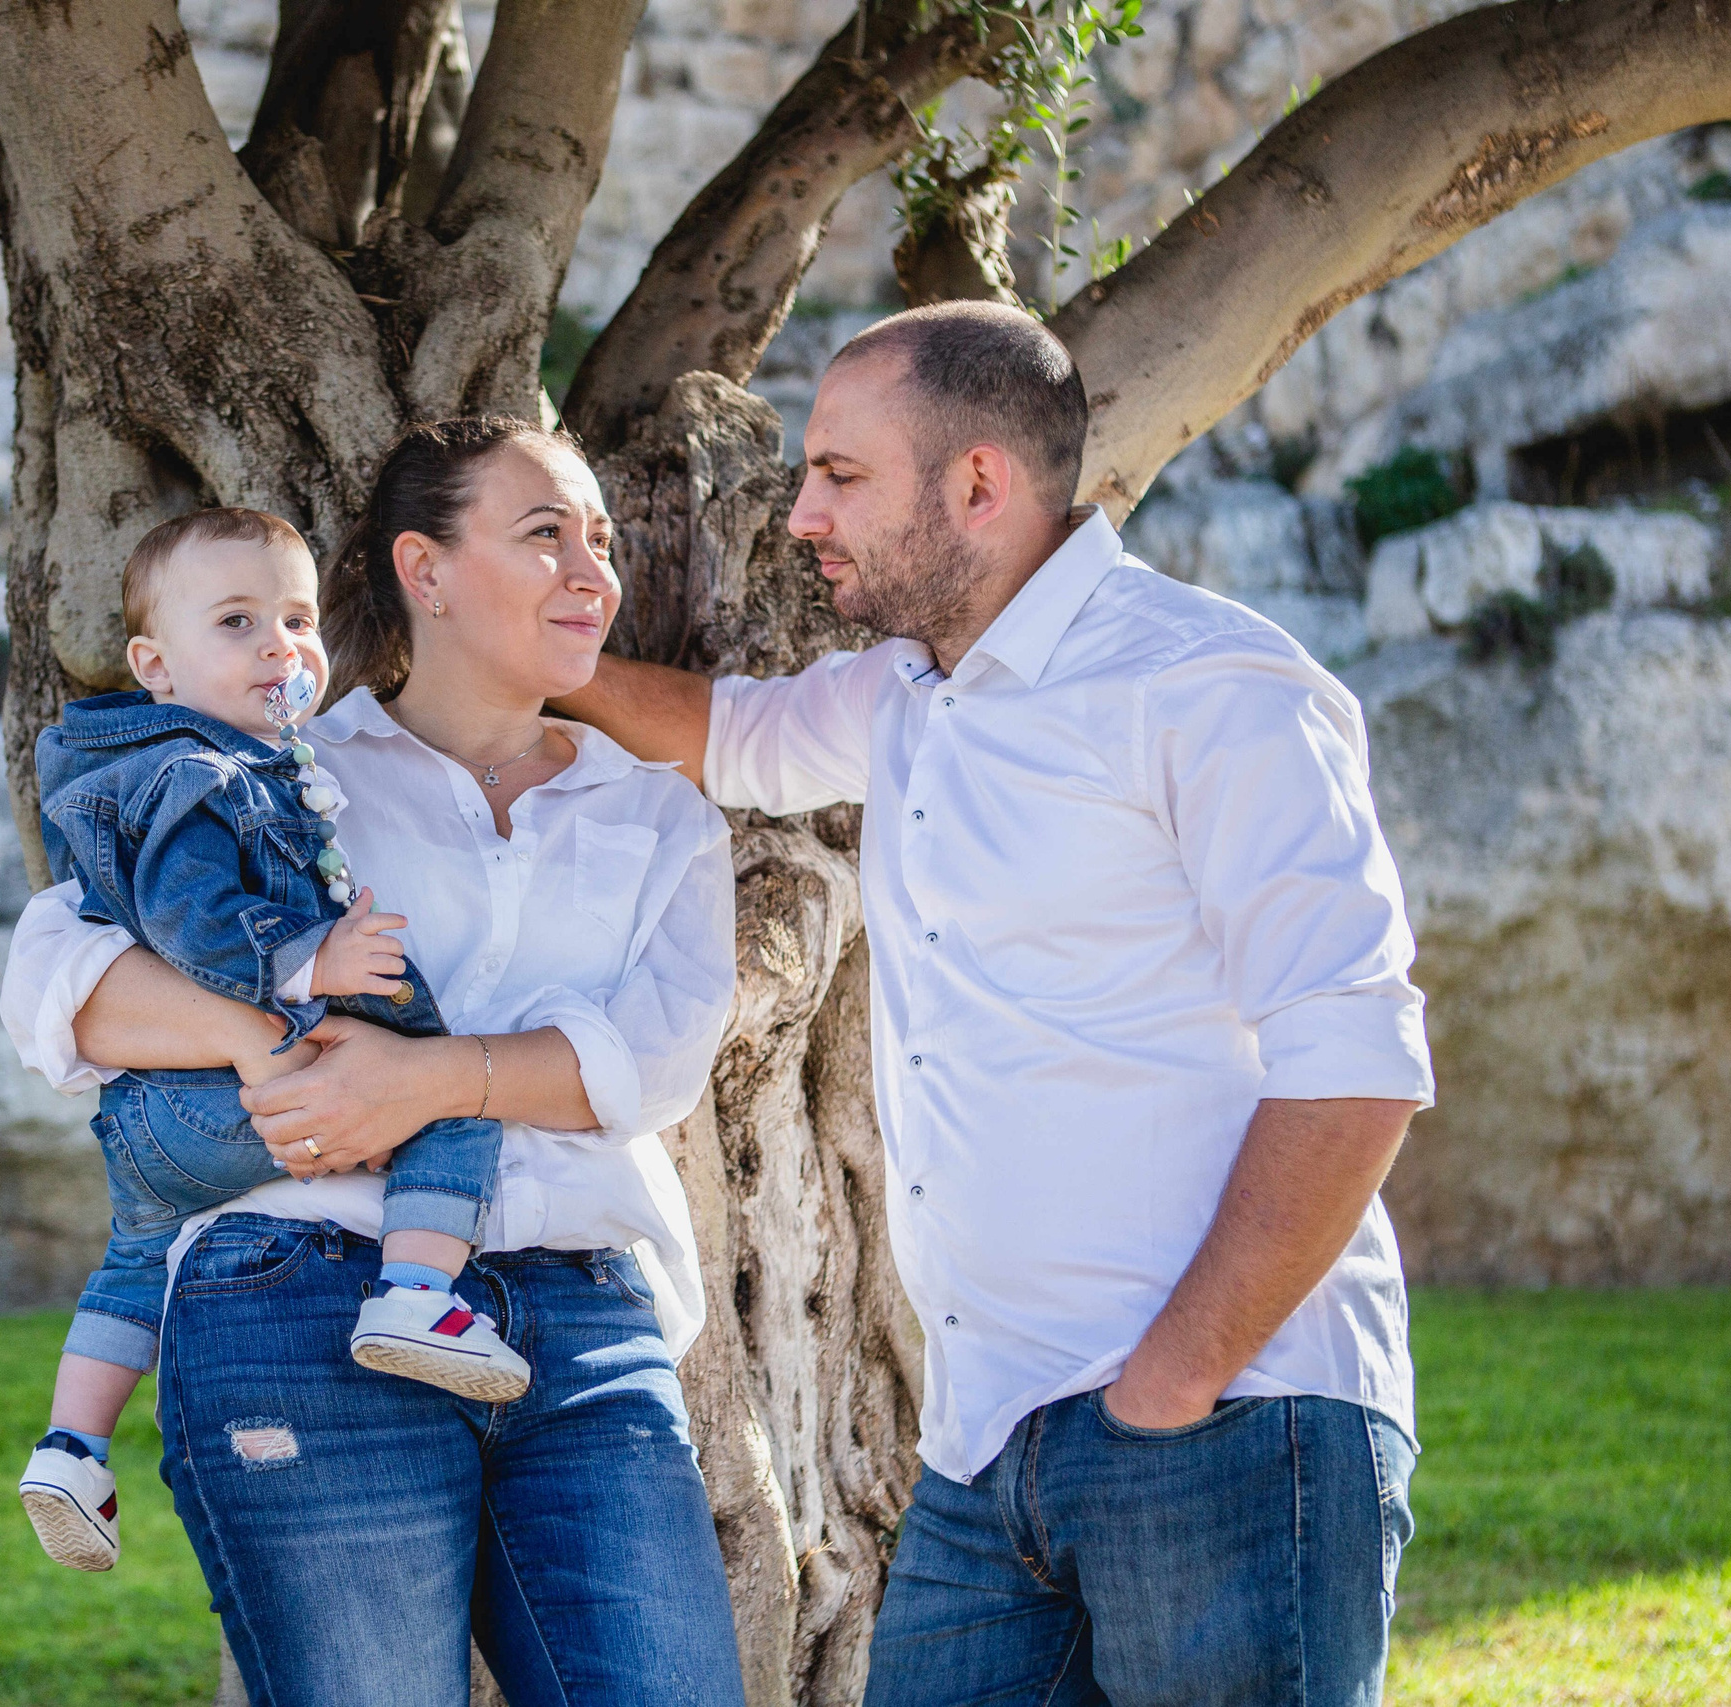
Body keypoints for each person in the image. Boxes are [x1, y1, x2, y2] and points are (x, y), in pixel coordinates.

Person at [556, 300, 1436, 1706]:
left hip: (1223, 1420)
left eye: (841, 473)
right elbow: (729, 735)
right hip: (982, 1452)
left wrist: (1172, 1384)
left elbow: (1359, 1058)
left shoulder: (1208, 684)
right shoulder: (907, 694)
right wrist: (518, 664)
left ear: (978, 481)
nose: (801, 515)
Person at [0, 416, 748, 1705]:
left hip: (584, 1324)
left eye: (602, 542)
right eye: (544, 535)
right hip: (296, 1291)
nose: (593, 573)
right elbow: (61, 983)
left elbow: (655, 1065)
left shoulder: (656, 810)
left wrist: (425, 1082)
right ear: (426, 567)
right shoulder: (278, 769)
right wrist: (271, 1045)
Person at [15, 506, 531, 1576]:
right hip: (224, 1092)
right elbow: (197, 929)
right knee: (449, 1093)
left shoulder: (199, 764)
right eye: (238, 623)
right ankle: (418, 1295)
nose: (279, 646)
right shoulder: (194, 776)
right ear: (155, 666)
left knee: (134, 1259)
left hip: (155, 1123)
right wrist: (313, 964)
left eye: (296, 619)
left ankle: (71, 1446)